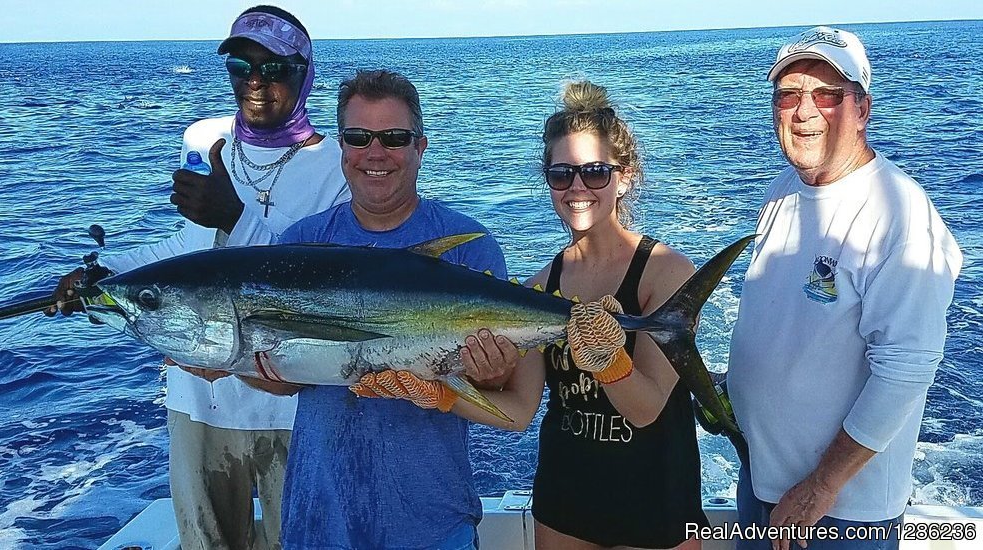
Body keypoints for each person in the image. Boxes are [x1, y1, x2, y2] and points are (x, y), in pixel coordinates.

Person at [359, 80, 710, 549]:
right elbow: (519, 411)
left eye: (595, 172)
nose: (577, 187)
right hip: (565, 500)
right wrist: (439, 393)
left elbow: (646, 411)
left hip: (656, 499)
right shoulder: (537, 289)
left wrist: (611, 363)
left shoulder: (666, 273)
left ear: (624, 177)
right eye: (562, 174)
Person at [47, 6, 349, 549]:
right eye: (241, 66)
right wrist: (104, 275)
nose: (256, 82)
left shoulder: (336, 163)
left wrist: (236, 217)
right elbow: (184, 252)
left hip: (294, 403)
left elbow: (325, 285)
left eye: (275, 68)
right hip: (198, 399)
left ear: (304, 73)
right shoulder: (207, 142)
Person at [726, 26, 963, 550]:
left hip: (837, 512)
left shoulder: (899, 215)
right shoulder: (783, 189)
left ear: (862, 108)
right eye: (788, 94)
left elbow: (907, 368)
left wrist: (820, 487)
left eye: (827, 95)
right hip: (762, 483)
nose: (804, 111)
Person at [253, 69, 508, 550]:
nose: (376, 153)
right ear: (342, 149)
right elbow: (284, 377)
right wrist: (253, 366)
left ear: (420, 147)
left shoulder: (468, 248)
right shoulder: (301, 245)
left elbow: (497, 386)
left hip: (433, 521)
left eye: (394, 137)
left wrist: (492, 373)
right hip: (320, 518)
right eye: (358, 137)